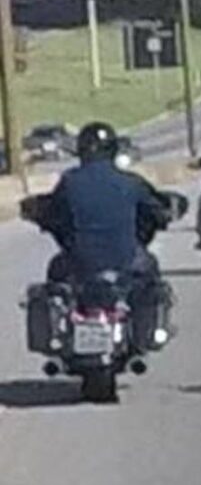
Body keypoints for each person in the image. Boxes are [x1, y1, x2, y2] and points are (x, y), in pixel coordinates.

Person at [25, 121, 176, 353]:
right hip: (125, 261)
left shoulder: (70, 181)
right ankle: (146, 333)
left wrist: (42, 217)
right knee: (152, 279)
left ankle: (61, 329)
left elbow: (52, 213)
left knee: (55, 279)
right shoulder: (130, 183)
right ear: (113, 150)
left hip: (78, 262)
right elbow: (157, 210)